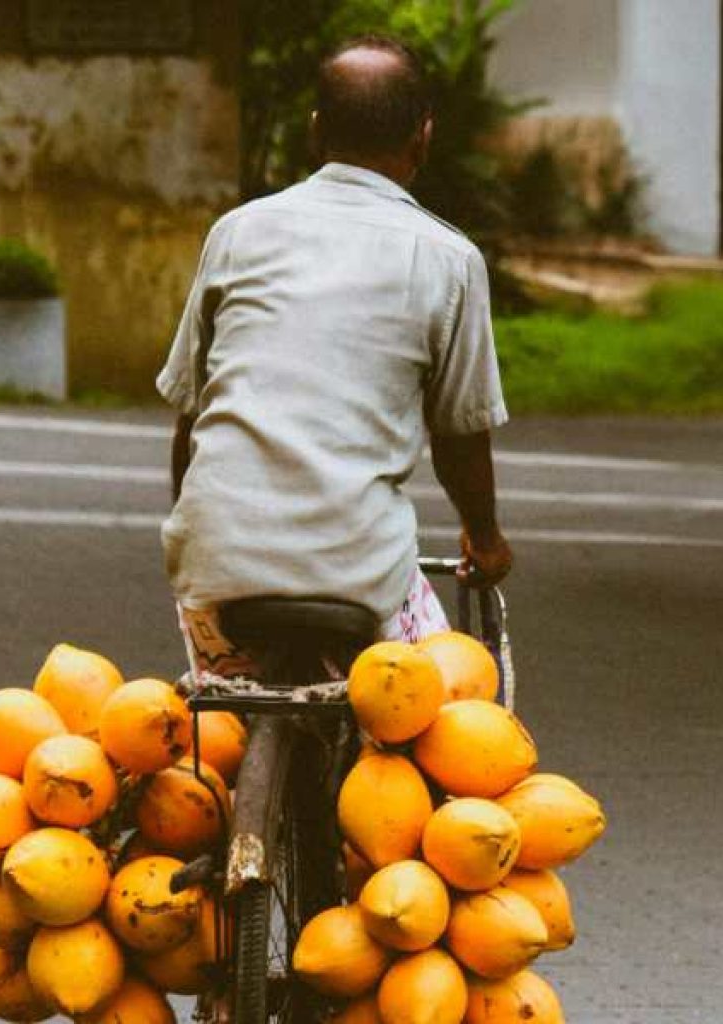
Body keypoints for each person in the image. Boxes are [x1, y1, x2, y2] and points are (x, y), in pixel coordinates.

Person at [156, 34, 512, 680]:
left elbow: (192, 422)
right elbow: (460, 439)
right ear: (423, 138)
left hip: (215, 576)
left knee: (220, 724)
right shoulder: (449, 259)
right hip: (360, 575)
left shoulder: (237, 233)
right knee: (452, 694)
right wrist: (485, 542)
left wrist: (212, 531)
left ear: (315, 131)